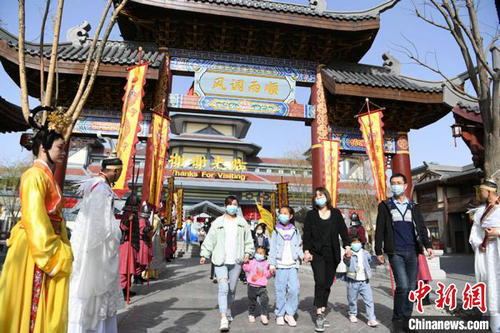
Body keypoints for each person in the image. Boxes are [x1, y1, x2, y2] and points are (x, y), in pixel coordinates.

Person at [0, 107, 73, 333]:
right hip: (36, 249)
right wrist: (55, 254)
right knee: (34, 303)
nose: (63, 153)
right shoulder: (34, 176)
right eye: (60, 148)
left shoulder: (44, 175)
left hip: (41, 244)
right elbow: (35, 219)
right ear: (43, 148)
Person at [68, 157, 123, 333]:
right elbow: (102, 226)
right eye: (119, 172)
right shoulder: (102, 189)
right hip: (97, 250)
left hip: (85, 243)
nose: (119, 175)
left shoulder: (94, 185)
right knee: (96, 290)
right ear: (115, 171)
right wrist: (117, 232)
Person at [375, 173, 433, 331]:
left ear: (406, 186)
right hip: (396, 252)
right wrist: (378, 251)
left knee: (412, 287)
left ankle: (407, 318)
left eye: (398, 183)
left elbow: (421, 227)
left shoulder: (413, 206)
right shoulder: (385, 205)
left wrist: (428, 246)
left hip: (413, 251)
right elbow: (380, 228)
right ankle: (397, 320)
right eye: (393, 183)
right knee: (402, 286)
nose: (395, 185)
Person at [200, 196, 254, 332]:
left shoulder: (242, 223)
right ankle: (223, 317)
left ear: (237, 206)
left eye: (235, 204)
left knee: (232, 289)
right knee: (223, 288)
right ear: (225, 206)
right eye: (229, 204)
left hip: (236, 261)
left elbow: (249, 240)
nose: (232, 207)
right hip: (220, 261)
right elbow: (210, 239)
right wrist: (204, 254)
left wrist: (248, 253)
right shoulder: (218, 222)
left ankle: (229, 309)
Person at [303, 187, 351, 332]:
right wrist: (306, 251)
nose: (318, 197)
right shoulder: (311, 214)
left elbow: (343, 230)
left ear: (327, 196)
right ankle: (319, 313)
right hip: (316, 253)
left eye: (321, 195)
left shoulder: (336, 213)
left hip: (333, 253)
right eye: (316, 195)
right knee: (320, 281)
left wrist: (347, 246)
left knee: (328, 283)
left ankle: (322, 308)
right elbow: (307, 234)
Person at [469, 179, 500, 333]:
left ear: (490, 192)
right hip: (486, 252)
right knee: (488, 282)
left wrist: (497, 233)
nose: (480, 194)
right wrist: (479, 244)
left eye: (482, 191)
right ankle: (491, 318)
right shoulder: (480, 211)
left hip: (498, 248)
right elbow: (475, 232)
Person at [269, 206, 304, 327]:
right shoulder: (275, 231)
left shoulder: (295, 231)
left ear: (290, 216)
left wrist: (303, 256)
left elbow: (298, 246)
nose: (282, 215)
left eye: (285, 213)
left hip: (292, 265)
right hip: (280, 265)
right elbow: (272, 248)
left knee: (295, 289)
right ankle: (279, 313)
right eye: (281, 213)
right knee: (280, 291)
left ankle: (289, 313)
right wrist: (272, 264)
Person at [343, 237, 378, 327]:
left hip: (365, 281)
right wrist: (347, 257)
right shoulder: (349, 253)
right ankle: (352, 313)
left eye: (357, 242)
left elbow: (372, 260)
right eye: (354, 243)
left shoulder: (365, 253)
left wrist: (379, 259)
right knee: (352, 299)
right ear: (351, 244)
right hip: (353, 281)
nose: (356, 244)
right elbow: (346, 262)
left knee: (369, 300)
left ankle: (371, 318)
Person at [242, 246, 272, 325]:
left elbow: (267, 275)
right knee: (252, 301)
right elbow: (246, 269)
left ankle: (264, 315)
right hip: (251, 286)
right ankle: (251, 314)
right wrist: (245, 263)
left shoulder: (266, 264)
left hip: (262, 286)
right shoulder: (252, 262)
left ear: (265, 255)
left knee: (265, 300)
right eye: (257, 253)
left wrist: (271, 272)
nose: (258, 254)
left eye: (261, 253)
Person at [118, 194, 140, 300]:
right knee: (124, 269)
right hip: (126, 244)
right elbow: (123, 226)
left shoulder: (135, 214)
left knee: (130, 269)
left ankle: (127, 288)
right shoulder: (127, 214)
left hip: (133, 244)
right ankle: (122, 289)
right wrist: (128, 220)